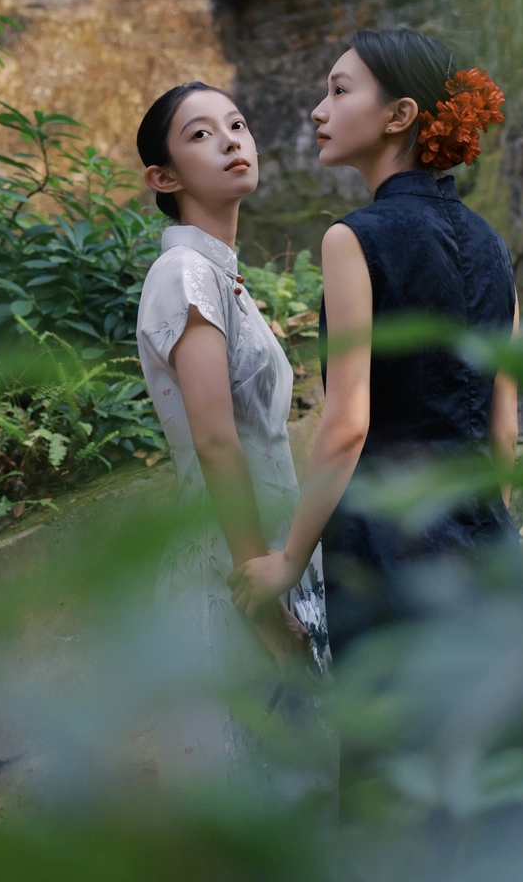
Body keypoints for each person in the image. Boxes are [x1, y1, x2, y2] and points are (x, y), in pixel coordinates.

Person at [227, 30, 523, 827]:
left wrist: (288, 561)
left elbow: (347, 423)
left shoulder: (353, 237)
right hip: (485, 546)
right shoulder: (493, 246)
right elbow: (503, 426)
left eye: (338, 90)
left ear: (399, 115)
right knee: (486, 790)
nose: (318, 111)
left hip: (389, 553)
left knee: (394, 795)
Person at [135, 81, 331, 797]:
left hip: (266, 553)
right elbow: (217, 443)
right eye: (200, 134)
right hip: (235, 568)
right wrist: (260, 599)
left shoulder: (221, 277)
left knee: (293, 785)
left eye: (237, 124)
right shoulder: (185, 274)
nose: (230, 140)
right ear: (164, 178)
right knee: (250, 788)